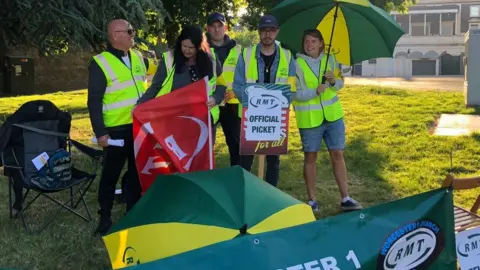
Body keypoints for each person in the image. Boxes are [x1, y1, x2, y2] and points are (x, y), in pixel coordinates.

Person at [87, 19, 157, 235]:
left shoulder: (137, 57)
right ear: (115, 35)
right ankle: (105, 217)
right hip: (116, 130)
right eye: (129, 31)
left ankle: (133, 212)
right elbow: (94, 100)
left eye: (132, 30)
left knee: (137, 172)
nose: (133, 34)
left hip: (138, 127)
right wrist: (100, 133)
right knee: (110, 175)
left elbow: (159, 75)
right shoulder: (100, 62)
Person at [293, 29, 362, 212]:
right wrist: (314, 91)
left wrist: (333, 81)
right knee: (310, 157)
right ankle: (312, 200)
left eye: (314, 42)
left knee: (338, 155)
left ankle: (345, 198)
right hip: (309, 119)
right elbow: (295, 93)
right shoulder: (297, 64)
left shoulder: (330, 59)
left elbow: (340, 84)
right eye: (307, 42)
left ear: (321, 43)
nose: (310, 45)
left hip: (333, 117)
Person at [232, 15, 296, 187]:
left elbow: (292, 88)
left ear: (277, 32)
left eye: (272, 30)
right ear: (259, 32)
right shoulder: (246, 55)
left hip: (276, 118)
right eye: (264, 30)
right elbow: (237, 85)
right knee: (246, 159)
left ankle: (270, 194)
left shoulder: (288, 57)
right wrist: (253, 105)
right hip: (251, 117)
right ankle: (245, 191)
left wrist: (279, 107)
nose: (268, 34)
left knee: (273, 160)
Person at [137, 25, 226, 144]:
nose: (187, 50)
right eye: (184, 46)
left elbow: (221, 85)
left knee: (201, 161)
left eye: (192, 48)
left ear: (200, 47)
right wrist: (140, 105)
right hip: (176, 121)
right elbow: (155, 87)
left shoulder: (212, 59)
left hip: (205, 121)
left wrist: (215, 98)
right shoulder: (169, 59)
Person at [205, 12, 242, 166]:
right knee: (206, 146)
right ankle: (205, 179)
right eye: (213, 26)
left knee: (236, 146)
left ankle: (237, 178)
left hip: (232, 103)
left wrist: (236, 91)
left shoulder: (239, 50)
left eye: (220, 26)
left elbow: (246, 76)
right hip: (210, 104)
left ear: (225, 27)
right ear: (207, 29)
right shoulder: (202, 49)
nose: (217, 30)